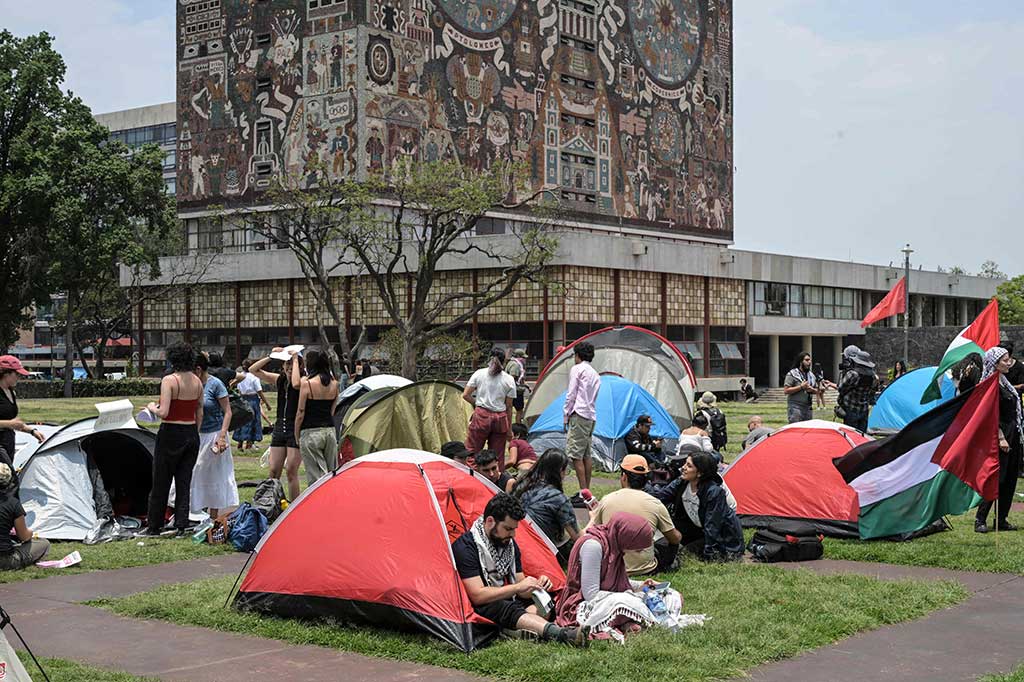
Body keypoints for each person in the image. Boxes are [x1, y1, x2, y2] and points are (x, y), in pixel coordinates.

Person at [451, 493, 588, 646]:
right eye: (508, 528)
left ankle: (515, 628)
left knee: (543, 599)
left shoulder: (508, 544)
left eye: (514, 529)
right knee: (502, 607)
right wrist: (517, 588)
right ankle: (562, 634)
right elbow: (477, 595)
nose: (513, 534)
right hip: (484, 604)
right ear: (490, 521)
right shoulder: (467, 546)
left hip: (509, 599)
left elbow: (520, 584)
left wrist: (536, 586)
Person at [555, 512, 659, 637]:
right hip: (582, 604)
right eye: (637, 546)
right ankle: (626, 621)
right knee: (626, 601)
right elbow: (591, 595)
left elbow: (614, 581)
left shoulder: (614, 547)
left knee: (665, 595)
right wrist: (629, 596)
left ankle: (626, 621)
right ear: (626, 537)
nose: (640, 550)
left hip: (603, 599)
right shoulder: (593, 546)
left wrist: (641, 585)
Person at [143, 342, 203, 536]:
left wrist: (151, 407)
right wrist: (195, 431)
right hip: (191, 432)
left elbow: (164, 412)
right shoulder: (197, 380)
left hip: (171, 431)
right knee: (184, 482)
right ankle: (181, 523)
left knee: (161, 480)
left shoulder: (169, 380)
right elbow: (199, 410)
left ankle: (154, 525)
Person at [588, 455, 680, 576]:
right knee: (666, 540)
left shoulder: (607, 500)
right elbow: (674, 538)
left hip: (612, 567)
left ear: (624, 476)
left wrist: (593, 517)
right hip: (646, 569)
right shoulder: (655, 503)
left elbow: (591, 533)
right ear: (646, 479)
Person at [975, 347, 1024, 533]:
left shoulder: (1004, 381)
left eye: (1008, 359)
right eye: (1004, 360)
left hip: (1014, 433)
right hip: (1000, 435)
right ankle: (980, 519)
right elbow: (989, 414)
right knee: (996, 477)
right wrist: (1001, 437)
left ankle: (1001, 518)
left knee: (1010, 478)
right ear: (994, 364)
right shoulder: (990, 385)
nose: (1008, 362)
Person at [249, 347, 304, 501]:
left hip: (295, 428)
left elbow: (296, 383)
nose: (289, 367)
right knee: (273, 470)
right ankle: (271, 503)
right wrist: (272, 356)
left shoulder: (303, 381)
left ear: (300, 366)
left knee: (291, 471)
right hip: (280, 427)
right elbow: (253, 370)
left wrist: (295, 358)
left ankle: (294, 505)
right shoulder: (280, 379)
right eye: (286, 364)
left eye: (292, 364)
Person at [670, 451, 744, 561]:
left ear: (700, 473)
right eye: (685, 463)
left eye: (689, 466)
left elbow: (713, 526)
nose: (683, 468)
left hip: (722, 538)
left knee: (683, 554)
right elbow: (660, 496)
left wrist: (710, 554)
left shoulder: (714, 492)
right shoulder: (682, 482)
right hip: (699, 528)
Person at [191, 352, 237, 520]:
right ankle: (197, 514)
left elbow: (228, 412)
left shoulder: (215, 384)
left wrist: (222, 436)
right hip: (197, 434)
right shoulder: (192, 385)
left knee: (213, 475)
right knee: (196, 473)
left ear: (198, 369)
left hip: (214, 435)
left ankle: (213, 517)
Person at [511, 448, 579, 563]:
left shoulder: (521, 485)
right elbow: (577, 537)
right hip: (542, 552)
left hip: (516, 544)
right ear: (560, 471)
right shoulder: (557, 497)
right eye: (565, 471)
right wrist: (593, 518)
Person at [294, 349, 339, 486]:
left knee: (316, 476)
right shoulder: (335, 384)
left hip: (310, 432)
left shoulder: (307, 384)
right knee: (332, 473)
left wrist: (296, 434)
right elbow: (332, 411)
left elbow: (300, 412)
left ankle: (320, 499)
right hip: (330, 431)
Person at [463, 348, 516, 462]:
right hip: (500, 418)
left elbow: (466, 395)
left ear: (489, 359)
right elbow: (509, 407)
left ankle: (471, 472)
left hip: (482, 415)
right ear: (504, 361)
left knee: (472, 452)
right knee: (497, 456)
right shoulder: (509, 379)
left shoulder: (479, 373)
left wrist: (477, 404)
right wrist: (509, 429)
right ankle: (495, 473)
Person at [0, 355, 44, 486]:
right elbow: (11, 423)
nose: (19, 377)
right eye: (17, 374)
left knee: (5, 482)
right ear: (6, 373)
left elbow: (13, 422)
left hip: (8, 440)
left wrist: (32, 431)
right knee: (9, 481)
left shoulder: (11, 392)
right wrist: (10, 424)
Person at [564, 342, 600, 493]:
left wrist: (566, 414)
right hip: (590, 415)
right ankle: (587, 490)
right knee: (586, 454)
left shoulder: (577, 369)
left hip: (579, 414)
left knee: (576, 455)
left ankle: (583, 491)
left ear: (577, 355)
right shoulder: (595, 374)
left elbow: (571, 393)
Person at [0, 463, 49, 570]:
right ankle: (37, 562)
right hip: (5, 559)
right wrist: (31, 533)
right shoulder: (13, 503)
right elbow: (24, 536)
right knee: (44, 543)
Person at [836, 347, 879, 433]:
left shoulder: (853, 374)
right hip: (864, 409)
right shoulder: (873, 376)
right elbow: (872, 391)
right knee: (861, 435)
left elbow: (841, 388)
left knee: (850, 434)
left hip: (851, 408)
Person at [233, 358, 269, 451]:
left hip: (242, 399)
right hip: (252, 400)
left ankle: (240, 443)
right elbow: (259, 391)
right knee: (252, 421)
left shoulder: (240, 376)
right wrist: (267, 403)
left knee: (241, 420)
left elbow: (235, 386)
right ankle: (249, 444)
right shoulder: (254, 377)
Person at [783, 352, 822, 423]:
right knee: (796, 428)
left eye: (810, 360)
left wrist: (812, 390)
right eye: (806, 360)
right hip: (795, 407)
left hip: (808, 407)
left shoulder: (811, 375)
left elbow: (818, 390)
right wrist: (801, 387)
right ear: (800, 362)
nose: (809, 362)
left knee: (807, 428)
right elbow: (786, 391)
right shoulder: (792, 374)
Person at [505, 348, 529, 424]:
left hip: (513, 391)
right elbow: (512, 378)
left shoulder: (511, 363)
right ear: (518, 356)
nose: (524, 359)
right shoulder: (515, 365)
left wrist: (526, 385)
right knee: (519, 410)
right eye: (523, 357)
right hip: (515, 392)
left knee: (510, 409)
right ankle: (517, 425)